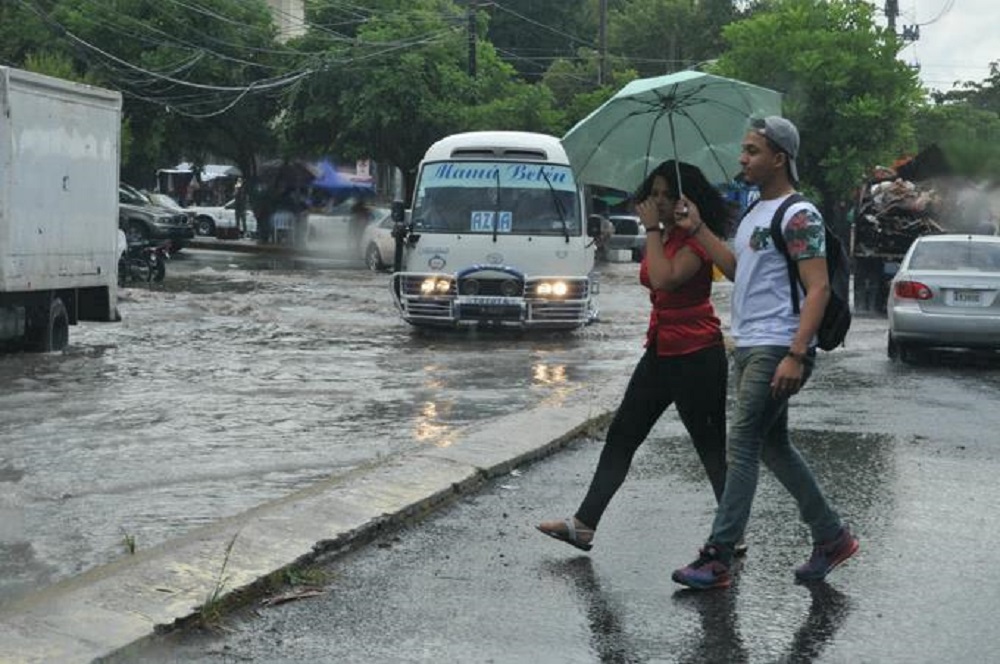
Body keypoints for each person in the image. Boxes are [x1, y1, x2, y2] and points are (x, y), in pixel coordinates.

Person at [670, 116, 858, 590]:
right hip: (751, 342)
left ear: (779, 157)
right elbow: (740, 271)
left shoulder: (800, 216)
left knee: (744, 443)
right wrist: (697, 229)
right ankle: (831, 535)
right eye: (744, 149)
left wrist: (797, 353)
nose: (742, 158)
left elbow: (816, 289)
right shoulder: (755, 211)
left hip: (779, 345)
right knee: (772, 445)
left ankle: (718, 556)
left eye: (752, 150)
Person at [537, 160, 735, 553]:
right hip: (661, 348)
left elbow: (663, 278)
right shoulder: (667, 237)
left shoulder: (695, 239)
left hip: (697, 353)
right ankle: (585, 523)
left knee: (710, 447)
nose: (658, 202)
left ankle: (734, 529)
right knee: (624, 433)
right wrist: (657, 233)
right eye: (654, 193)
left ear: (686, 199)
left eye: (668, 195)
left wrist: (651, 230)